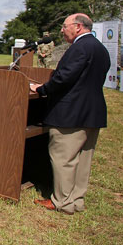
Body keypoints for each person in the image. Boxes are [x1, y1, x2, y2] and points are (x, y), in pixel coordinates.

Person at [29, 13, 111, 215]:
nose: (62, 30)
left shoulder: (79, 48)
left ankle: (62, 202)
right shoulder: (100, 48)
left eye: (65, 26)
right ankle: (76, 200)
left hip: (72, 113)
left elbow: (65, 77)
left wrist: (42, 90)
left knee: (64, 158)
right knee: (83, 160)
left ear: (78, 26)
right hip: (92, 113)